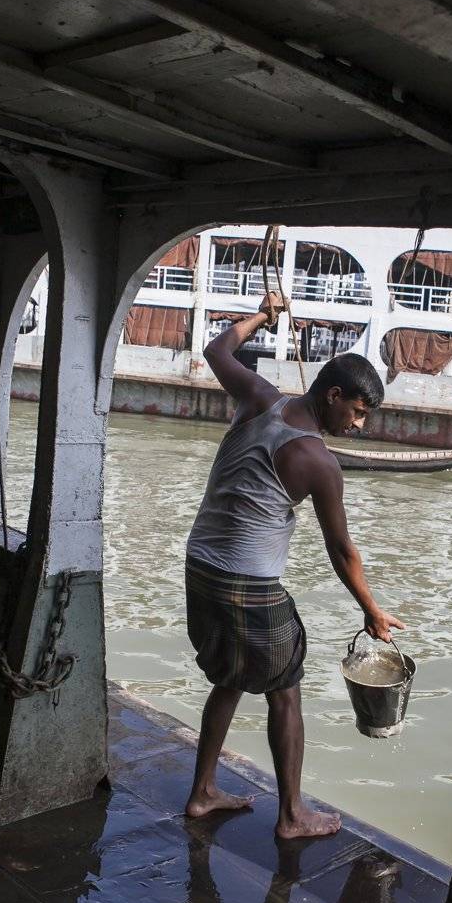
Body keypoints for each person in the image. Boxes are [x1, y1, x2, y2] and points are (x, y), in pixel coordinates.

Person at [183, 292, 404, 839]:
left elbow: (218, 350)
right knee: (286, 692)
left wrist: (261, 315)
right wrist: (373, 612)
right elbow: (342, 550)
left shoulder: (262, 398)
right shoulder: (317, 461)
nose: (356, 424)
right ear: (333, 395)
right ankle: (291, 816)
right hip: (247, 586)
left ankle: (203, 793)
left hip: (200, 567)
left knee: (231, 680)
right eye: (355, 412)